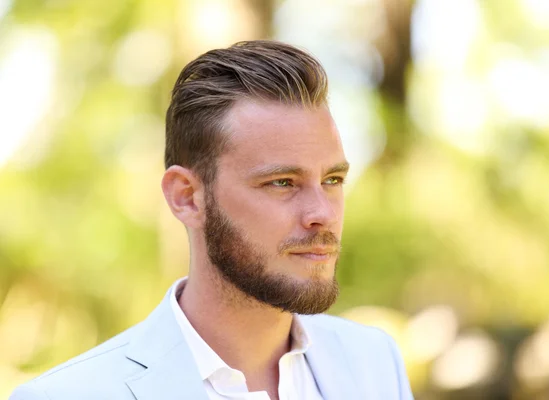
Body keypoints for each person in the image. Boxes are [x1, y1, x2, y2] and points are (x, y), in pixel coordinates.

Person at [10, 40, 413, 400]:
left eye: (332, 179)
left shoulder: (375, 364)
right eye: (282, 182)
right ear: (187, 197)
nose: (322, 213)